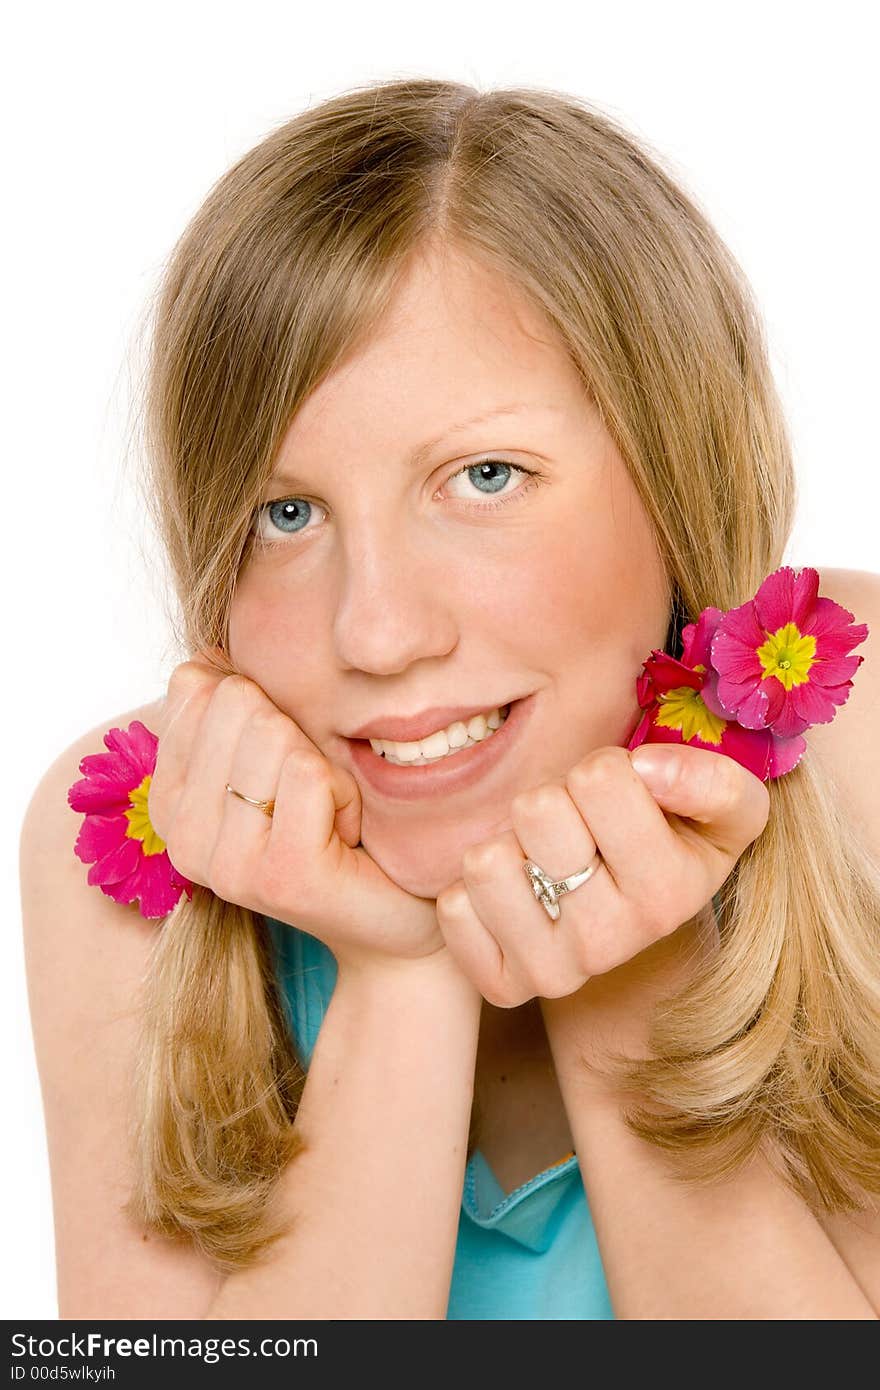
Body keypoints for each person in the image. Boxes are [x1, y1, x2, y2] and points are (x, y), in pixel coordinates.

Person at [19, 76, 880, 1321]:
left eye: (484, 476)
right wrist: (401, 973)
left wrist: (622, 983)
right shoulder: (127, 836)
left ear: (677, 474)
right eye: (285, 512)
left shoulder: (855, 731)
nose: (374, 630)